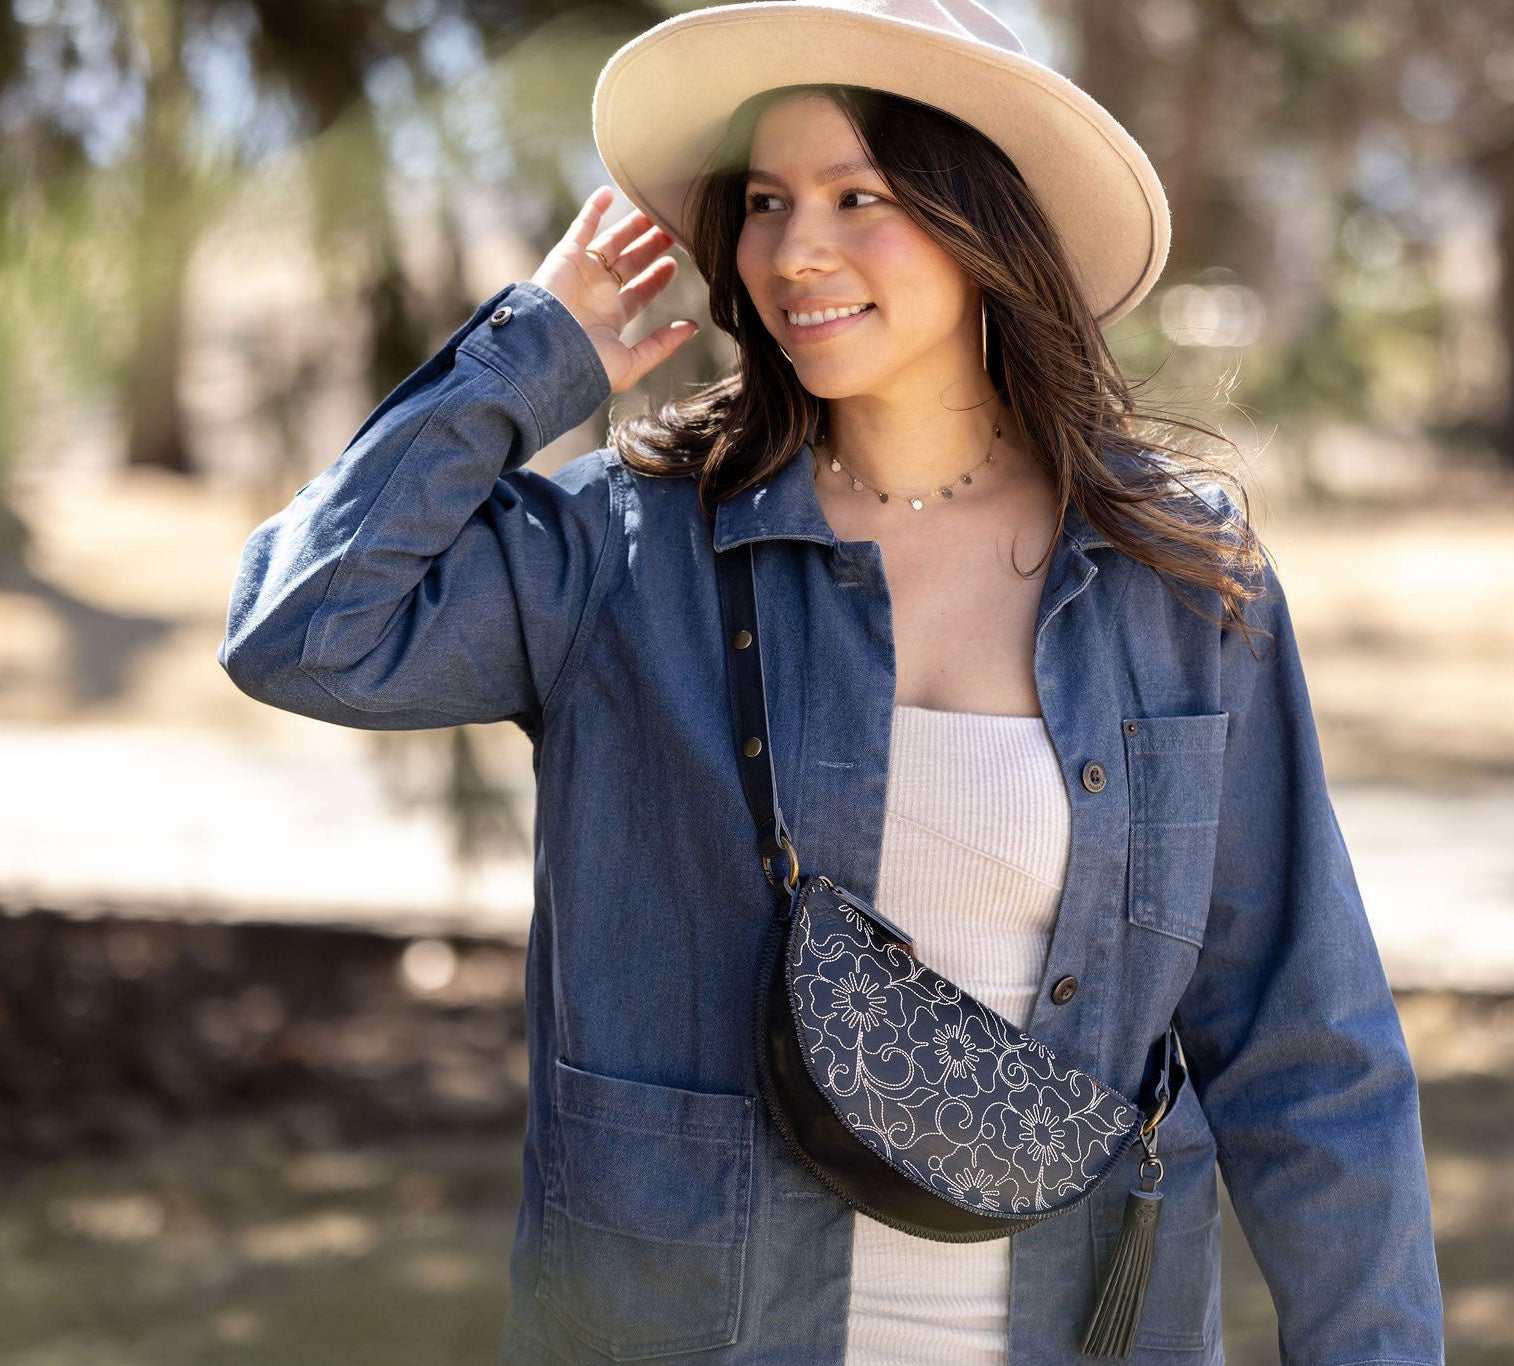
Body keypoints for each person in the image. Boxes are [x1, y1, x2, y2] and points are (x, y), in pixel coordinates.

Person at [217, 1, 1447, 1362]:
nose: (797, 249)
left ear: (983, 225)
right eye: (765, 200)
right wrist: (535, 350)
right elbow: (302, 623)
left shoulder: (1171, 579)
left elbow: (1306, 1049)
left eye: (861, 195)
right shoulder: (631, 552)